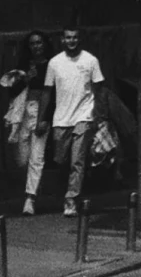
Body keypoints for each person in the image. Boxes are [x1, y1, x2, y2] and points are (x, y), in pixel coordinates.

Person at [29, 26, 108, 216]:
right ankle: (71, 190)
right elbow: (47, 92)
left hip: (84, 116)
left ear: (80, 39)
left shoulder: (90, 61)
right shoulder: (55, 63)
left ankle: (71, 199)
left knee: (77, 161)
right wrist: (42, 119)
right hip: (61, 118)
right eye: (68, 38)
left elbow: (99, 89)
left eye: (75, 37)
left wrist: (99, 115)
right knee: (61, 159)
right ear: (62, 40)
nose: (71, 41)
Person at [0, 31, 49, 214]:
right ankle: (31, 187)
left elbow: (50, 92)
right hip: (22, 111)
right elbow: (12, 91)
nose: (37, 46)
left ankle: (30, 198)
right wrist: (25, 78)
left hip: (40, 110)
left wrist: (45, 117)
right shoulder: (23, 66)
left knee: (37, 157)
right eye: (33, 43)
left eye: (39, 42)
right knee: (22, 159)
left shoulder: (50, 65)